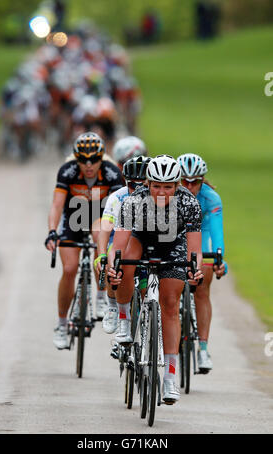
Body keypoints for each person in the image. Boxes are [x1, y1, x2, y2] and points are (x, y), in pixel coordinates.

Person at [108, 155, 203, 403]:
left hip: (173, 246)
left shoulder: (189, 202)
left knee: (170, 304)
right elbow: (118, 244)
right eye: (156, 185)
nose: (161, 191)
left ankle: (170, 378)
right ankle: (123, 318)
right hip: (142, 240)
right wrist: (113, 265)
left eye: (168, 186)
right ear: (147, 184)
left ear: (178, 185)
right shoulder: (133, 201)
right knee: (123, 264)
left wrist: (195, 268)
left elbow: (194, 249)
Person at [45, 132, 124, 350]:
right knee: (69, 269)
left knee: (100, 238)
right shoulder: (68, 171)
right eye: (83, 160)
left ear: (102, 158)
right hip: (74, 216)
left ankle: (101, 296)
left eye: (94, 160)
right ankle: (61, 324)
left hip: (101, 215)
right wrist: (52, 231)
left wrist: (117, 236)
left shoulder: (111, 173)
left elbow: (118, 206)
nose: (89, 165)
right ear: (76, 159)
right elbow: (57, 205)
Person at [177, 153, 227, 373]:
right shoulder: (168, 195)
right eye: (184, 181)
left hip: (202, 234)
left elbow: (216, 235)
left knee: (202, 286)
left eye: (194, 181)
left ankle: (203, 349)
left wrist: (218, 259)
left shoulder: (211, 198)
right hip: (176, 236)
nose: (188, 186)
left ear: (202, 180)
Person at [95, 154, 151, 335]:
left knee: (145, 288)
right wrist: (102, 255)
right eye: (133, 185)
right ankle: (114, 307)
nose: (137, 190)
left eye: (143, 185)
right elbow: (104, 231)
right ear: (125, 182)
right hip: (118, 237)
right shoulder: (116, 198)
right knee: (115, 265)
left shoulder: (158, 198)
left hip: (143, 240)